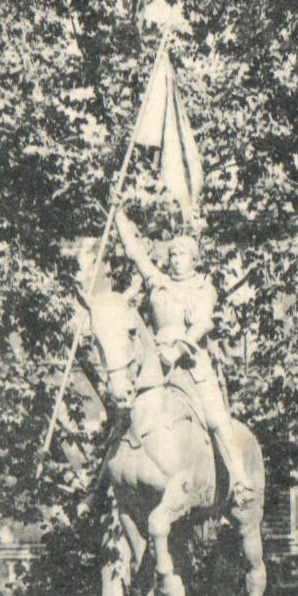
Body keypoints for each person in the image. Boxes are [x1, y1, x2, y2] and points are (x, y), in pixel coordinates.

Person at [114, 210, 252, 505]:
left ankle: (239, 478)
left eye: (181, 254)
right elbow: (136, 254)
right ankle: (98, 488)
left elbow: (202, 323)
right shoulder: (159, 283)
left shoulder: (204, 288)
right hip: (154, 365)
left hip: (191, 363)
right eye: (173, 254)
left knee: (216, 417)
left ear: (194, 259)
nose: (175, 259)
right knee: (124, 416)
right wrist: (117, 216)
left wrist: (177, 350)